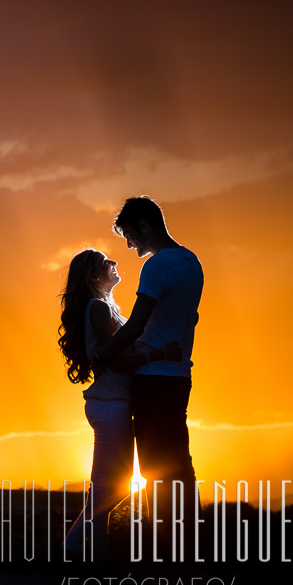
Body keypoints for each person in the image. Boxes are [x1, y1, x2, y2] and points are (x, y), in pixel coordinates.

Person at [94, 196, 203, 561]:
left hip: (152, 378)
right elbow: (193, 318)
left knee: (156, 466)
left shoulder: (157, 266)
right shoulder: (192, 262)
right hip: (179, 377)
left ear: (143, 225)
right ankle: (188, 543)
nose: (129, 245)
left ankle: (168, 550)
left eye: (129, 235)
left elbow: (137, 324)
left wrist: (104, 354)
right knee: (179, 461)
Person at [58, 249, 179, 561]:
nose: (113, 263)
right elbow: (116, 359)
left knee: (120, 486)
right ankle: (92, 558)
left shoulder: (104, 306)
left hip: (115, 404)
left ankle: (72, 548)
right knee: (103, 488)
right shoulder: (97, 308)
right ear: (94, 276)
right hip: (109, 405)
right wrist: (160, 354)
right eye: (104, 263)